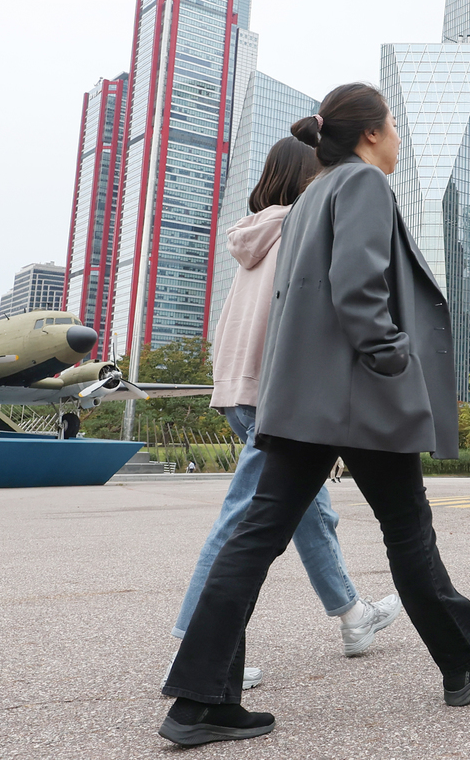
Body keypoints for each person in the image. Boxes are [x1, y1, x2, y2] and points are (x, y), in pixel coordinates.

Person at [159, 85, 470, 746]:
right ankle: (465, 660)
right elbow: (357, 289)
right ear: (368, 136)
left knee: (257, 534)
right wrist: (394, 362)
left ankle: (199, 698)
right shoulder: (361, 187)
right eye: (392, 128)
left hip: (304, 397)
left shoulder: (306, 201)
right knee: (408, 529)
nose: (397, 140)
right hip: (356, 398)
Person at [165, 137, 400, 697]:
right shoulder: (303, 225)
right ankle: (200, 647)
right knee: (246, 518)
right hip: (277, 390)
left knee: (309, 510)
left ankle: (351, 615)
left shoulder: (254, 231)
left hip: (239, 387)